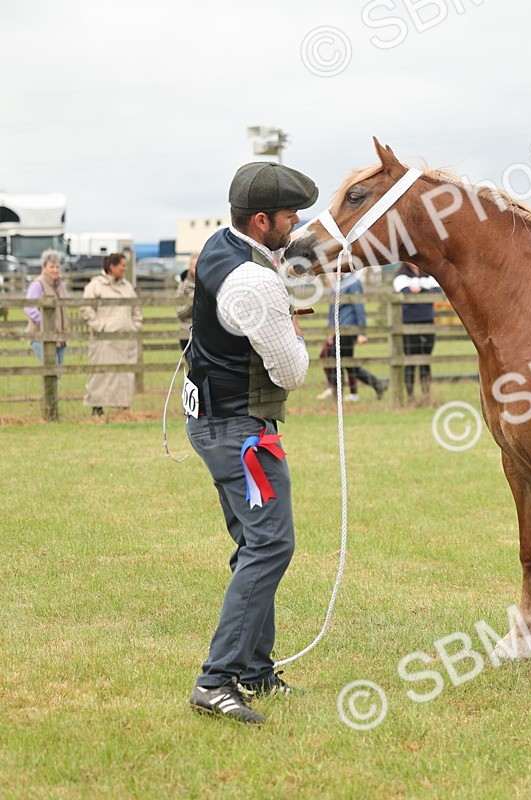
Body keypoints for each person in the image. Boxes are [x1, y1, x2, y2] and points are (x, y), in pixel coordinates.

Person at [184, 161, 317, 725]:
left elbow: (239, 320)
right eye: (289, 217)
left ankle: (256, 670)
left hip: (210, 421)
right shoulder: (259, 279)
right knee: (270, 546)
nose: (296, 227)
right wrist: (289, 330)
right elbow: (291, 373)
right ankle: (217, 680)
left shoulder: (219, 245)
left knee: (253, 543)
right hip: (241, 432)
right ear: (261, 220)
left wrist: (277, 317)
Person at [81, 253, 141, 416]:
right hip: (104, 340)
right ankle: (97, 406)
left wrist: (135, 325)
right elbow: (86, 308)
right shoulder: (96, 285)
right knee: (102, 373)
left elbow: (136, 308)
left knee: (124, 374)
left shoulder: (127, 286)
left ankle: (123, 406)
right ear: (112, 267)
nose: (125, 268)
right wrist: (100, 326)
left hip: (126, 339)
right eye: (122, 265)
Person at [316, 270, 387, 401]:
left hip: (348, 328)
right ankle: (377, 384)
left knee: (340, 360)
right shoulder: (338, 283)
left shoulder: (353, 282)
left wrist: (361, 332)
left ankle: (338, 393)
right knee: (344, 362)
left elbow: (359, 307)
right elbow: (333, 308)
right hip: (338, 329)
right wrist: (330, 330)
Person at [392, 262, 441, 405]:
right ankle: (410, 396)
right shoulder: (401, 275)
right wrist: (425, 290)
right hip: (409, 323)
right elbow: (404, 292)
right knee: (410, 361)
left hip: (427, 322)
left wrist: (419, 290)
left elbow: (437, 292)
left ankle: (426, 395)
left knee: (426, 360)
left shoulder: (429, 273)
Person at [24, 249, 69, 365]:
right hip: (42, 337)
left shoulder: (61, 285)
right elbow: (29, 307)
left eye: (57, 267)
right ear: (44, 268)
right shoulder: (37, 285)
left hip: (61, 336)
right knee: (50, 371)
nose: (55, 270)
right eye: (52, 267)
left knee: (57, 373)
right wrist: (45, 322)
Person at [176, 254, 198, 350]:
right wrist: (193, 299)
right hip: (187, 332)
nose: (197, 270)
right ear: (189, 267)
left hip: (206, 335)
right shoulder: (183, 285)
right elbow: (180, 313)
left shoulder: (209, 284)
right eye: (194, 267)